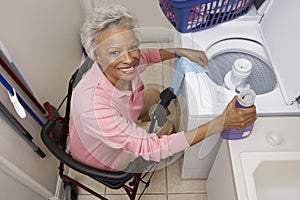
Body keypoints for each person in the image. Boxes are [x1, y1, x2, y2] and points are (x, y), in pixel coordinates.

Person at [69, 5, 256, 172]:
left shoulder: (115, 66)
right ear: (97, 57)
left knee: (152, 94)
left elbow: (146, 57)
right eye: (114, 52)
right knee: (166, 127)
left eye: (132, 47)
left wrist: (179, 51)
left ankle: (142, 125)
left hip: (121, 116)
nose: (128, 59)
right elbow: (153, 148)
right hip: (106, 158)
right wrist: (220, 123)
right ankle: (159, 128)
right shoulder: (93, 108)